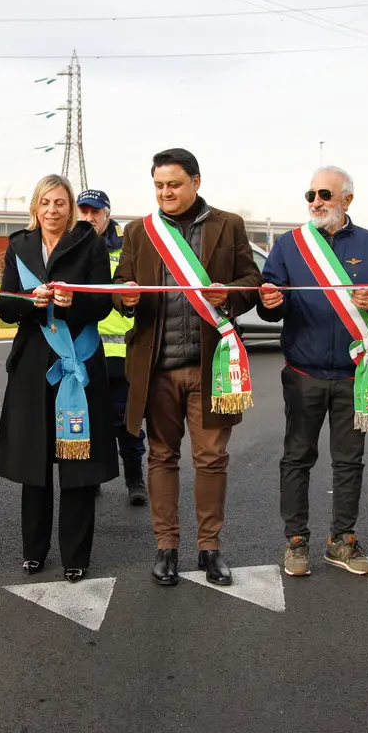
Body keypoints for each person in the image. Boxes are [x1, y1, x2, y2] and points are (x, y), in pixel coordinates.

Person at [114, 147, 261, 587]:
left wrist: (229, 295)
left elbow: (251, 282)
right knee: (160, 456)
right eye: (158, 186)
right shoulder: (140, 230)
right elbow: (123, 282)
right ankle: (167, 546)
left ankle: (210, 548)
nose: (166, 193)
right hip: (156, 367)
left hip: (211, 365)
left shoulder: (227, 224)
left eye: (174, 185)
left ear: (196, 182)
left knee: (212, 458)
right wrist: (127, 296)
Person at [256, 165, 368, 577]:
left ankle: (342, 540)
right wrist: (271, 303)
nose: (316, 202)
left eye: (324, 194)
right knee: (297, 457)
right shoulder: (289, 245)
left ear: (347, 200)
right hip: (302, 371)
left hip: (354, 373)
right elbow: (272, 304)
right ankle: (296, 541)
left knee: (349, 461)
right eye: (310, 195)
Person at [0, 175, 116, 581]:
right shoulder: (19, 247)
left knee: (77, 457)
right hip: (32, 365)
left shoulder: (90, 243)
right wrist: (32, 302)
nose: (52, 210)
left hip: (78, 363)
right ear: (35, 206)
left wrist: (74, 301)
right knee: (36, 459)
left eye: (60, 203)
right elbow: (5, 307)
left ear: (70, 208)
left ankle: (76, 556)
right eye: (45, 202)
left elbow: (102, 304)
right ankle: (34, 550)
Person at [77, 188, 147, 506]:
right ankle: (92, 478)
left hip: (122, 354)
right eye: (84, 211)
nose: (89, 217)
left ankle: (135, 480)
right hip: (85, 353)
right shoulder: (73, 246)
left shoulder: (127, 246)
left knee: (127, 422)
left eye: (95, 212)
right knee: (88, 420)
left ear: (107, 214)